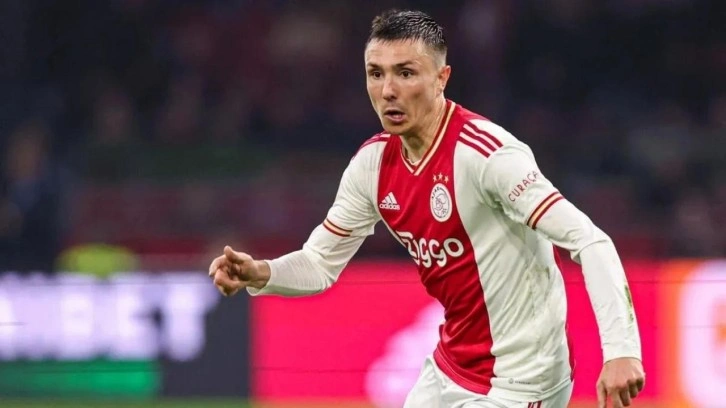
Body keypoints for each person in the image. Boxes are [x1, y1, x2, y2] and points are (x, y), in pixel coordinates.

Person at [208, 9, 645, 408]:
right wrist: (261, 273)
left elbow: (590, 240)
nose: (388, 91)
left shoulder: (488, 155)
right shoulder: (372, 166)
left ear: (441, 78)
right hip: (450, 368)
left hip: (522, 382)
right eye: (376, 74)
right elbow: (320, 263)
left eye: (406, 73)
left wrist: (621, 350)